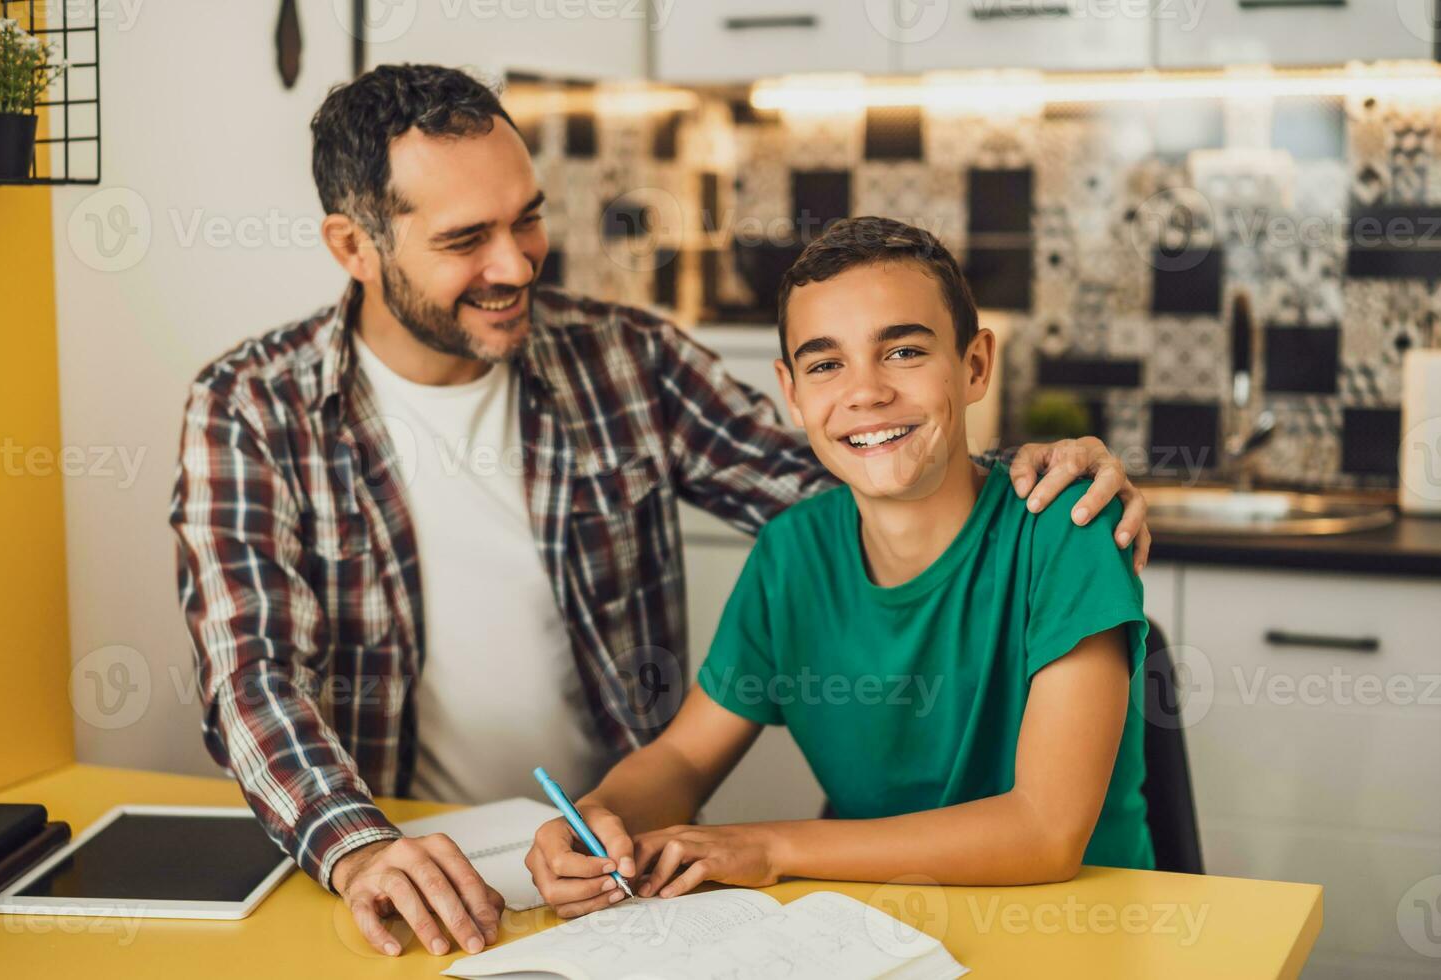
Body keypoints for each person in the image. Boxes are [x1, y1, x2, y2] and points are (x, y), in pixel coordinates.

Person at [169, 65, 1152, 958]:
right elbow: (250, 669)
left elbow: (870, 487)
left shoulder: (624, 358)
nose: (516, 265)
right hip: (403, 849)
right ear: (354, 244)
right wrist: (356, 844)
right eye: (467, 239)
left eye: (528, 219)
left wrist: (1034, 477)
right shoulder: (250, 406)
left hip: (603, 866)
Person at [525, 217, 1152, 919]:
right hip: (883, 933)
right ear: (792, 394)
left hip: (1083, 932)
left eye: (905, 352)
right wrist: (595, 817)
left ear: (975, 365)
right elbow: (683, 761)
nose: (866, 392)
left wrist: (770, 846)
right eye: (826, 365)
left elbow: (1045, 832)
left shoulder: (1066, 532)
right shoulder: (791, 555)